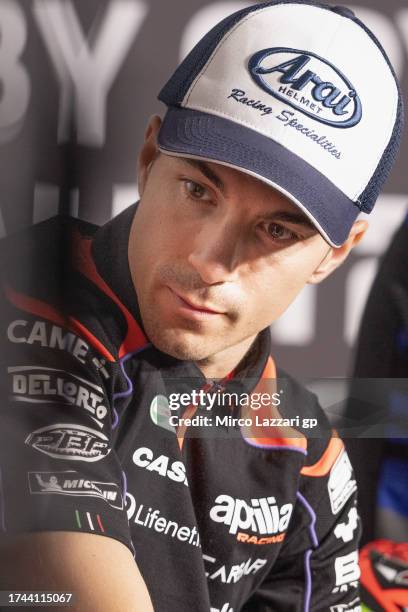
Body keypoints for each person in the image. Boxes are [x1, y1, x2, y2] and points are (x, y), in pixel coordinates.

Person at [0, 1, 403, 611]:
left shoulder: (308, 455)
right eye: (198, 191)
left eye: (275, 231)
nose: (210, 263)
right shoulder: (23, 308)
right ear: (148, 158)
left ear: (335, 255)